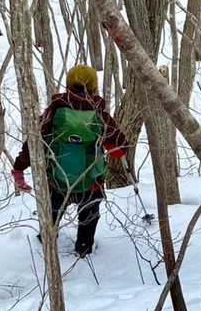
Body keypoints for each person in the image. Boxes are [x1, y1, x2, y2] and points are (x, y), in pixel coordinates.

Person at [13, 64, 128, 257]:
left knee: (52, 213)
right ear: (94, 86)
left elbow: (33, 143)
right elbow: (120, 151)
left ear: (68, 85)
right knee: (89, 216)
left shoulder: (54, 111)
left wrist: (19, 170)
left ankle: (47, 241)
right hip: (91, 182)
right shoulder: (100, 114)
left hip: (57, 180)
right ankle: (83, 249)